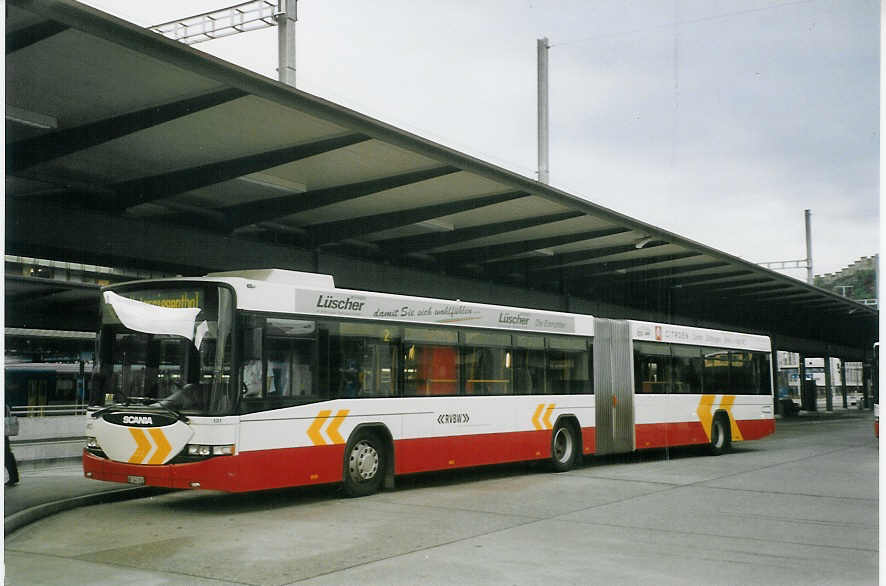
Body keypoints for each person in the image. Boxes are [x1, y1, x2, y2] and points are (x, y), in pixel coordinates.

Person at [5, 404, 19, 487]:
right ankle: (14, 477)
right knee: (7, 456)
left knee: (7, 456)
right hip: (4, 434)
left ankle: (14, 477)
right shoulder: (5, 405)